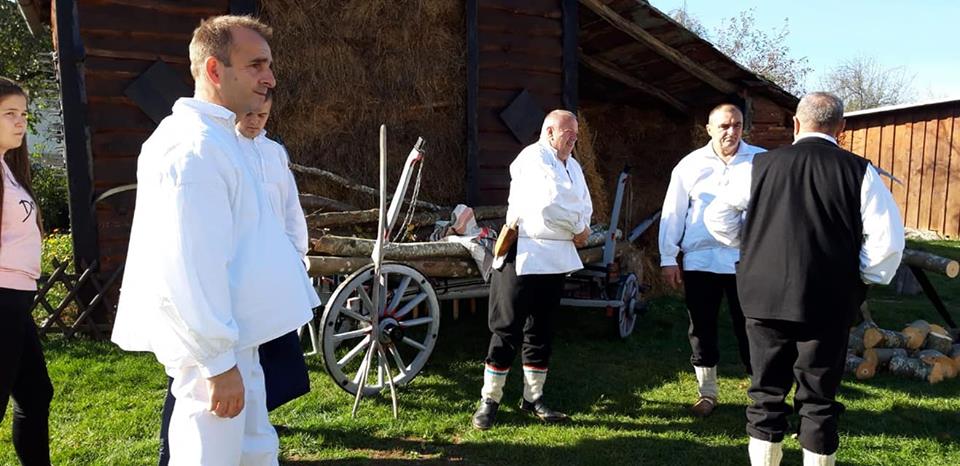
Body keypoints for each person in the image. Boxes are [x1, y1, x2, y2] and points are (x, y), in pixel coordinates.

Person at [112, 15, 318, 465]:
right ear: (213, 69)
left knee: (255, 452)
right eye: (256, 65)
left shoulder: (224, 142)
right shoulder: (193, 149)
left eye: (269, 65)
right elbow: (190, 267)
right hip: (218, 352)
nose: (270, 78)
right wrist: (217, 363)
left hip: (241, 340)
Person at [704, 92, 904, 466]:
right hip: (829, 299)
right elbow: (887, 244)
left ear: (796, 124)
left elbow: (717, 216)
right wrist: (860, 277)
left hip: (763, 297)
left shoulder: (757, 166)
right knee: (818, 399)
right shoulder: (860, 172)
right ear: (841, 128)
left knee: (765, 395)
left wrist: (753, 245)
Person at [156, 91, 314, 465]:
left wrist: (295, 257)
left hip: (268, 275)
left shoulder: (274, 154)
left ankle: (255, 425)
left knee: (261, 365)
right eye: (250, 114)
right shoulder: (223, 149)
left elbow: (290, 210)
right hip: (227, 279)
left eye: (263, 115)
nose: (256, 121)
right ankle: (173, 448)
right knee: (201, 373)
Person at [471, 109, 592, 430]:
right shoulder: (532, 158)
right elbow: (549, 204)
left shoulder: (574, 166)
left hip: (556, 256)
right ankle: (489, 400)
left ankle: (533, 398)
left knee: (541, 329)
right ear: (549, 132)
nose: (574, 137)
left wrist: (580, 223)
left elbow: (585, 204)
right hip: (524, 252)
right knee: (506, 328)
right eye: (568, 132)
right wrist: (578, 227)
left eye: (576, 132)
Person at [658, 103, 764, 417]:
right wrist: (668, 256)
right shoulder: (690, 165)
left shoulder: (760, 161)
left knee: (752, 326)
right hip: (700, 259)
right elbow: (673, 211)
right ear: (709, 129)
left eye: (737, 125)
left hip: (746, 259)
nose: (731, 131)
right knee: (701, 326)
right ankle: (707, 393)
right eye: (724, 126)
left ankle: (761, 393)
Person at [0, 77, 53, 466]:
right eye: (9, 114)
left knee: (36, 394)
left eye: (23, 114)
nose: (21, 122)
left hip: (16, 301)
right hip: (2, 300)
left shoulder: (8, 168)